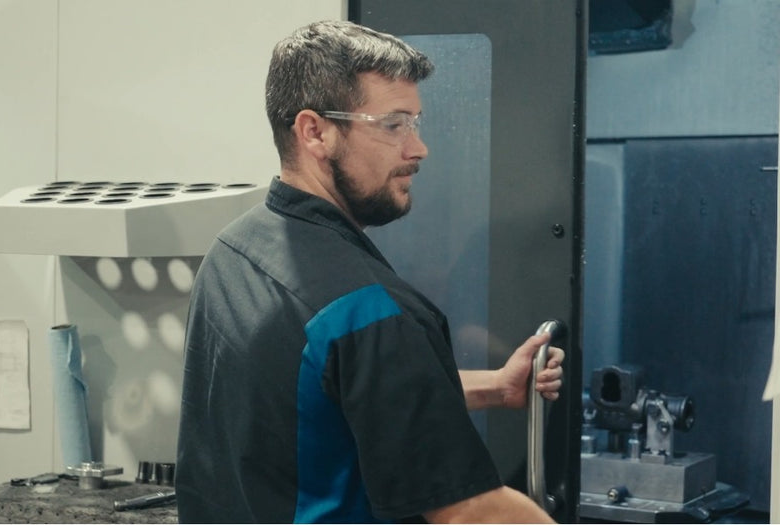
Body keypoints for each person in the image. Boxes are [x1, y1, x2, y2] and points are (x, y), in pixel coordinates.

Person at [175, 20, 564, 524]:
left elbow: (341, 396)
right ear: (315, 132)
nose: (418, 148)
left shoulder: (232, 251)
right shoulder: (371, 310)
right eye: (393, 124)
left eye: (415, 122)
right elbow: (472, 513)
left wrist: (497, 388)